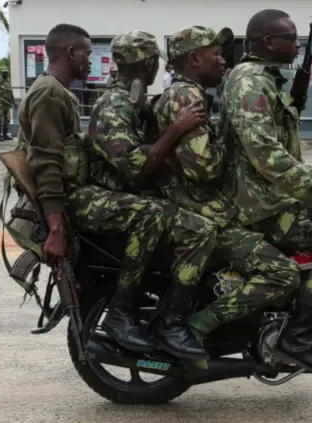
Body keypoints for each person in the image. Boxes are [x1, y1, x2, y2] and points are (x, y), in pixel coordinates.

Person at [221, 9, 312, 376]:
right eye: (291, 38)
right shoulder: (250, 82)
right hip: (260, 207)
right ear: (269, 41)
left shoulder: (265, 80)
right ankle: (298, 337)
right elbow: (263, 153)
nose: (297, 44)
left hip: (267, 197)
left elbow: (276, 147)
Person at [153, 25, 302, 361]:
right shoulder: (184, 97)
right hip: (201, 211)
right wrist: (234, 143)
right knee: (282, 273)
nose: (223, 62)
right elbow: (203, 168)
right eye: (216, 54)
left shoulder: (194, 95)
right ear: (194, 59)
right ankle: (188, 326)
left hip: (208, 208)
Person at [89, 30, 217, 360]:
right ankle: (146, 316)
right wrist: (176, 129)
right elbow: (136, 166)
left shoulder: (135, 99)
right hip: (106, 196)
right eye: (155, 62)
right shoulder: (114, 106)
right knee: (194, 229)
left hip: (126, 193)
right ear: (148, 64)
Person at [0, 68, 15, 141]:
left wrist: (13, 102)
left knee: (7, 120)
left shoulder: (8, 81)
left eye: (6, 72)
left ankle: (5, 135)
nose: (6, 74)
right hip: (0, 104)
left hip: (7, 104)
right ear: (1, 73)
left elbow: (11, 92)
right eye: (4, 73)